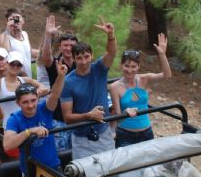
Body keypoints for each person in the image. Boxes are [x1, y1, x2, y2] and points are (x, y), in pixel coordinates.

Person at [60, 18, 117, 160]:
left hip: (104, 133)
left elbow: (111, 53)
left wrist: (110, 36)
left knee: (110, 172)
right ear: (73, 59)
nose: (84, 61)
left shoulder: (99, 69)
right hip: (81, 139)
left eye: (86, 56)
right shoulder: (67, 82)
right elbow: (67, 117)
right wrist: (88, 115)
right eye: (79, 58)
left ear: (91, 56)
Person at [3, 60, 67, 175]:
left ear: (38, 99)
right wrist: (30, 132)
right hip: (31, 172)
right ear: (18, 103)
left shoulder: (44, 109)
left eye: (33, 100)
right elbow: (8, 145)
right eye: (25, 102)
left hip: (54, 167)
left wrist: (61, 76)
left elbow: (55, 94)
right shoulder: (14, 119)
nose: (31, 105)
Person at [109, 33, 172, 148]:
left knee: (149, 165)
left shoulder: (144, 79)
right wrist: (125, 113)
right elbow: (117, 117)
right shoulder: (114, 87)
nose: (129, 70)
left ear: (138, 66)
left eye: (133, 66)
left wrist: (162, 54)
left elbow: (167, 75)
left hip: (146, 132)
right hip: (125, 135)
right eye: (126, 66)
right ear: (121, 65)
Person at [40, 15, 78, 152]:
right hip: (58, 120)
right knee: (60, 154)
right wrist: (48, 35)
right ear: (60, 47)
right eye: (65, 45)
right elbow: (46, 57)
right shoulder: (56, 63)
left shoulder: (82, 65)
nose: (68, 48)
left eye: (72, 45)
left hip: (78, 119)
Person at [0, 8, 38, 78]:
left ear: (23, 20)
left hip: (28, 77)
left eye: (17, 18)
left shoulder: (25, 34)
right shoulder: (4, 36)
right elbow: (4, 55)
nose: (15, 21)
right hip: (15, 77)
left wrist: (47, 52)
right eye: (12, 19)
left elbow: (29, 52)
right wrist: (8, 31)